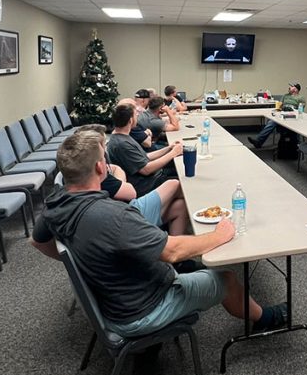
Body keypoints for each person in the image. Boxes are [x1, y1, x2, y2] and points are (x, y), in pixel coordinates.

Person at [29, 131, 287, 338]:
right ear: (100, 168)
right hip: (141, 311)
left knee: (176, 214)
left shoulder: (55, 203)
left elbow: (38, 242)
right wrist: (220, 235)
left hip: (113, 301)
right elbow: (172, 252)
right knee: (227, 278)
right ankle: (266, 320)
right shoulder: (114, 216)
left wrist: (83, 265)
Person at [70, 124, 190, 236]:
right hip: (128, 215)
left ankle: (176, 253)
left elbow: (117, 168)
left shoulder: (84, 170)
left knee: (180, 206)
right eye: (104, 145)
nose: (106, 148)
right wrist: (122, 182)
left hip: (125, 208)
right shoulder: (99, 176)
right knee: (174, 184)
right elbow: (130, 192)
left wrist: (169, 149)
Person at [107, 103, 182, 195]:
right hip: (146, 185)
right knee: (185, 184)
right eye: (135, 114)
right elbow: (146, 170)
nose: (138, 115)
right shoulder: (121, 143)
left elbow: (145, 156)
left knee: (180, 167)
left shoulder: (123, 136)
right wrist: (173, 153)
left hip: (153, 177)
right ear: (131, 120)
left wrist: (169, 148)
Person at [248, 82, 305, 149]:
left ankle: (296, 143)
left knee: (282, 124)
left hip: (292, 117)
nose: (289, 88)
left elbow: (301, 110)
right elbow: (279, 105)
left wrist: (292, 110)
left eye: (291, 87)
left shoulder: (301, 97)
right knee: (272, 122)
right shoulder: (285, 96)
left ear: (296, 89)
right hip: (282, 114)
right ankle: (258, 142)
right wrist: (279, 108)